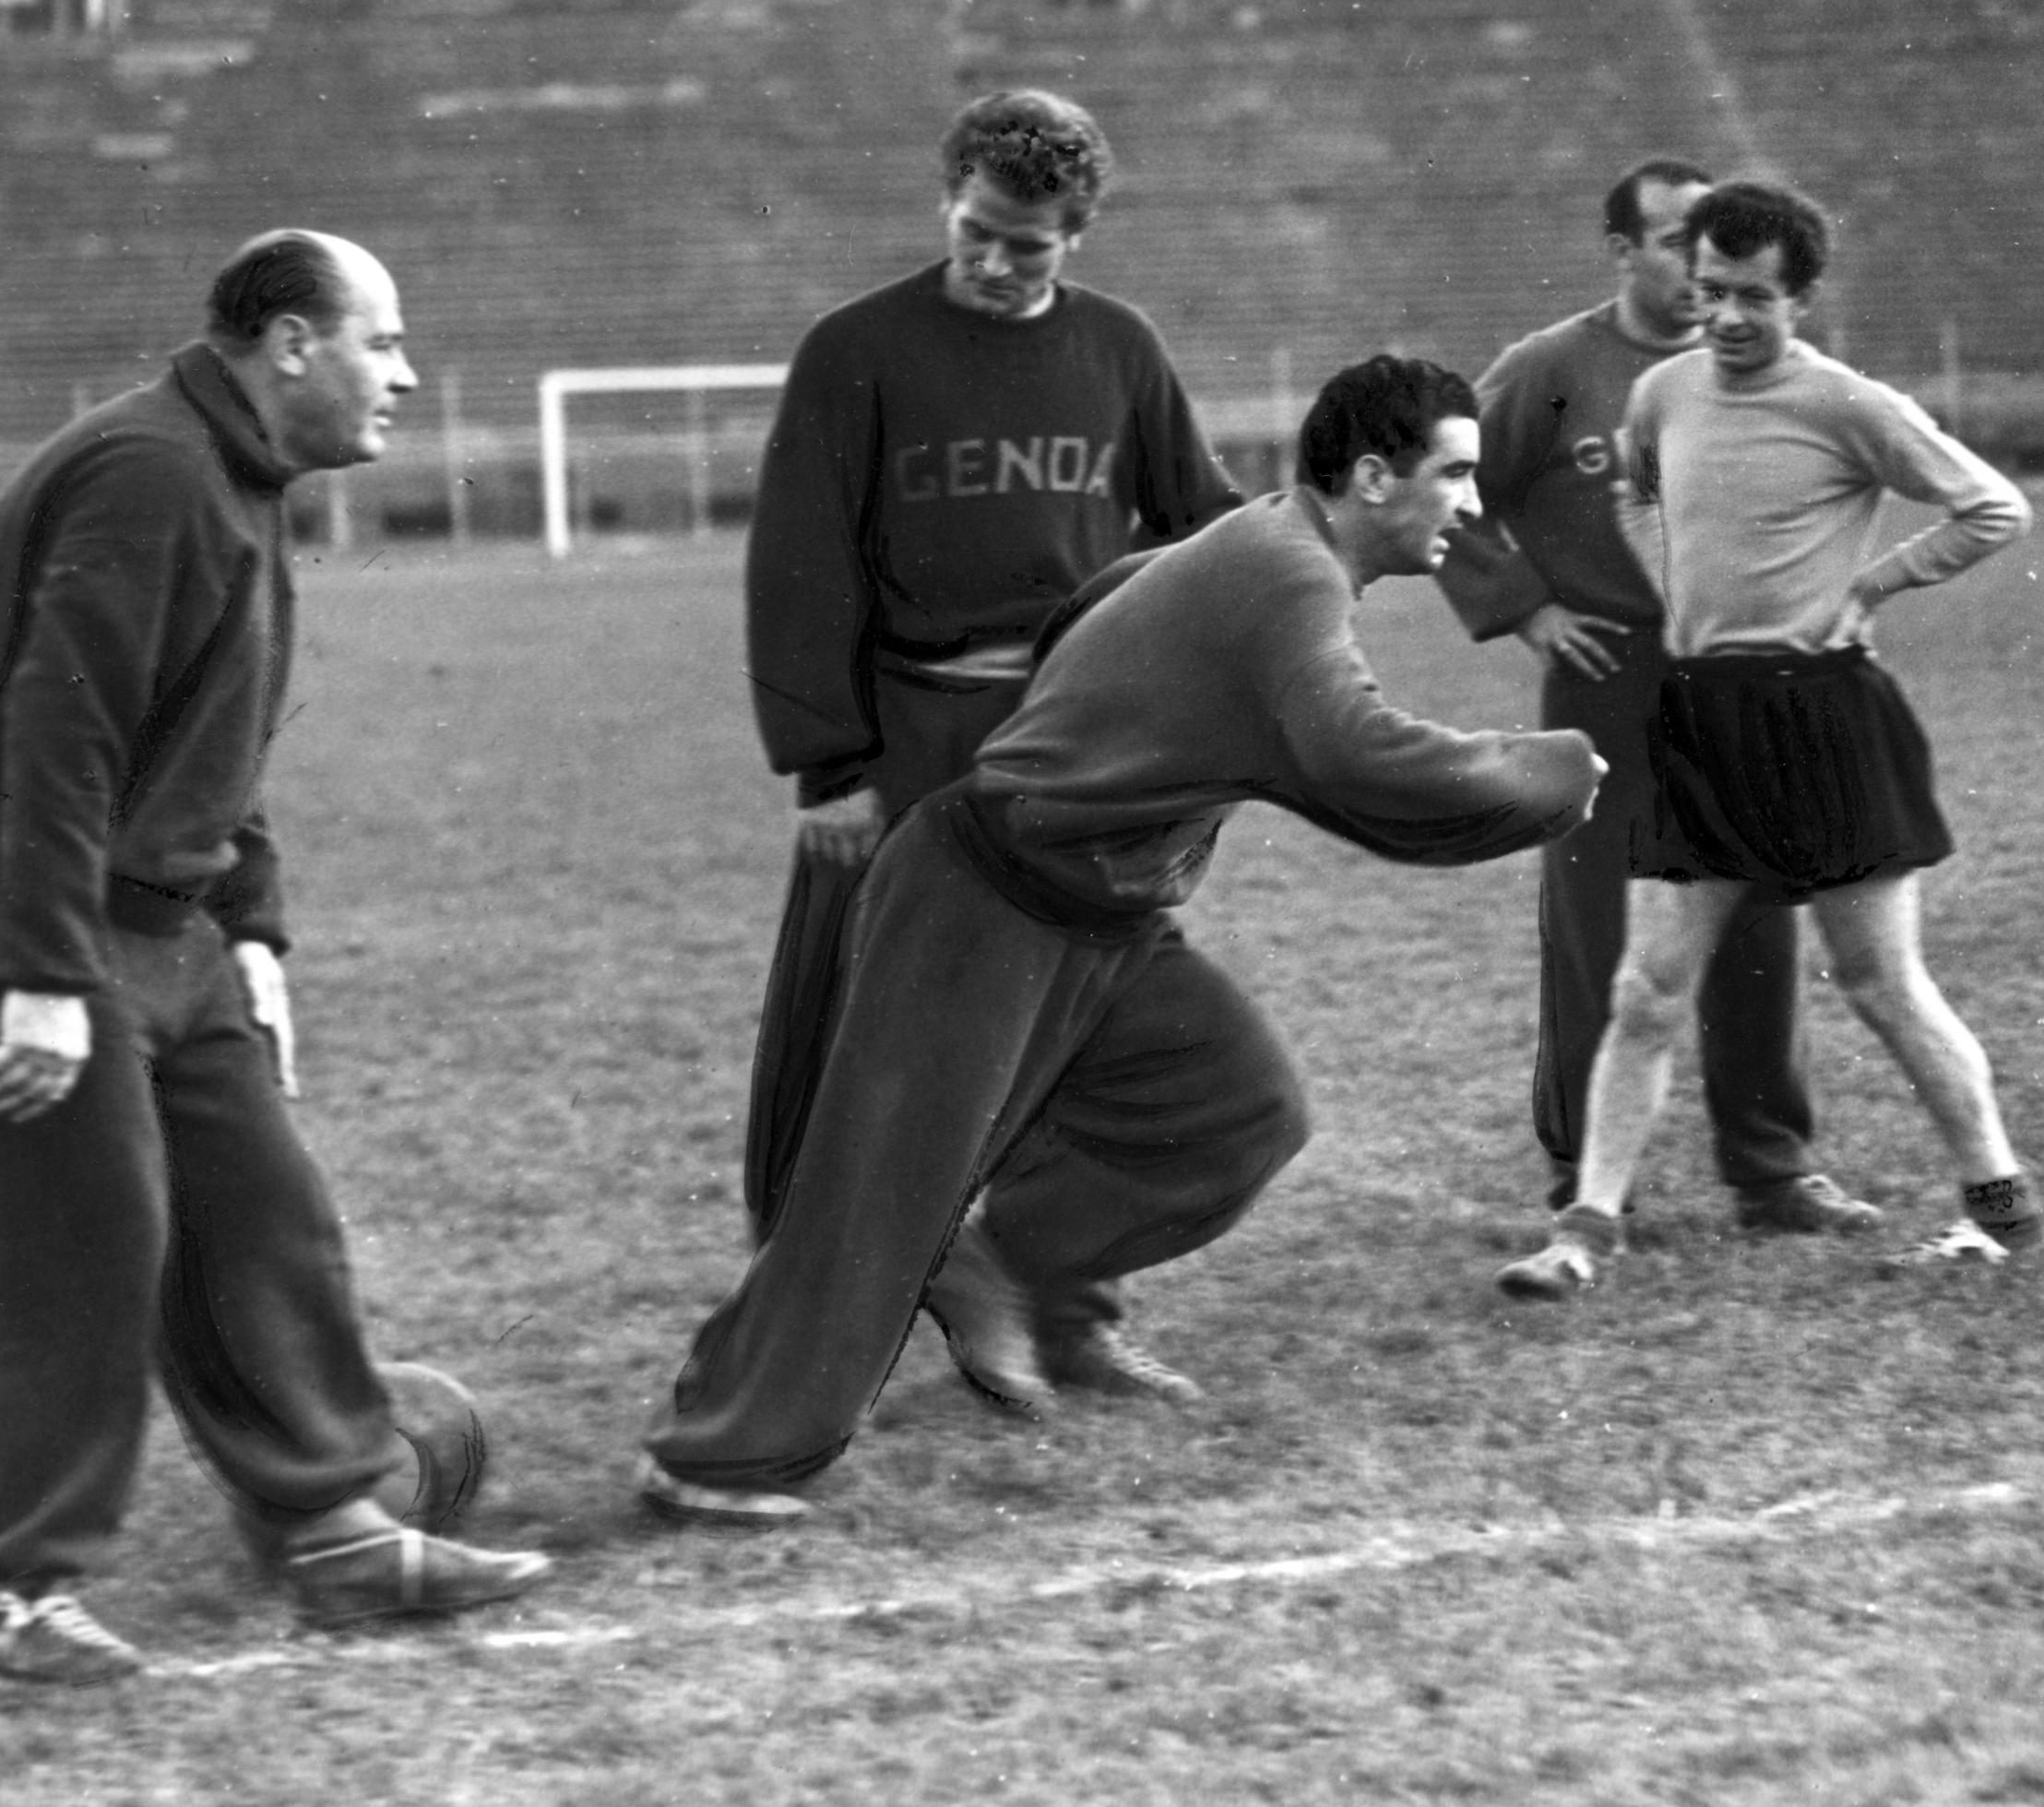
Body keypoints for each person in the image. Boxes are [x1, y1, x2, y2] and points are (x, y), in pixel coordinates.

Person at [639, 355, 1605, 1527]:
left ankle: (1008, 1276)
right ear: (1369, 476)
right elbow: (1358, 752)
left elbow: (1101, 598)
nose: (1470, 502)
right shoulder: (1288, 572)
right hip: (982, 901)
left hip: (1104, 914)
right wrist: (1550, 769)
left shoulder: (1270, 544)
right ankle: (717, 1457)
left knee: (1235, 1110)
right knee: (880, 1193)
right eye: (1453, 473)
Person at [0, 231, 554, 1682]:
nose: (408, 375)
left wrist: (252, 931)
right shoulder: (154, 470)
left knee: (263, 1202)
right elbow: (65, 727)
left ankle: (337, 1532)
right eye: (385, 340)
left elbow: (217, 736)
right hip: (7, 881)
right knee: (81, 1231)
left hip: (150, 904)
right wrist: (45, 974)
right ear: (291, 344)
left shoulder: (233, 475)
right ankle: (23, 1586)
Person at [741, 89, 1243, 1407]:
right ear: (946, 202)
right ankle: (882, 1295)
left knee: (1085, 1010)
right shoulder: (855, 349)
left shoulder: (1121, 348)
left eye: (1029, 245)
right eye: (976, 231)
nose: (995, 262)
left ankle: (1068, 1307)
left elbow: (1200, 523)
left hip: (1075, 737)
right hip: (914, 733)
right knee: (886, 1027)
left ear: (1076, 237)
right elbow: (800, 563)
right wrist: (829, 763)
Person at [1494, 182, 2037, 1300]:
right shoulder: (1661, 389)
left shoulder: (1849, 403)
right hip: (1700, 716)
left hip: (1825, 716)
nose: (1728, 319)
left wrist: (1869, 585)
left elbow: (1993, 509)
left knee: (1879, 981)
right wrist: (1675, 584)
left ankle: (2000, 1195)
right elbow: (1642, 497)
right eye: (1709, 294)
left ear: (1802, 299)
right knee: (1649, 990)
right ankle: (1587, 1230)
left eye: (1754, 298)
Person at [1437, 157, 1876, 1236]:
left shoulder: (1756, 371)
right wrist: (1529, 607)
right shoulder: (1554, 366)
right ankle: (1587, 1183)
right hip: (1607, 682)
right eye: (1677, 240)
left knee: (1758, 916)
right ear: (1623, 249)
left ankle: (1772, 1171)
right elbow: (1448, 487)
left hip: (1740, 678)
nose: (1700, 262)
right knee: (1595, 932)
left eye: (1715, 240)